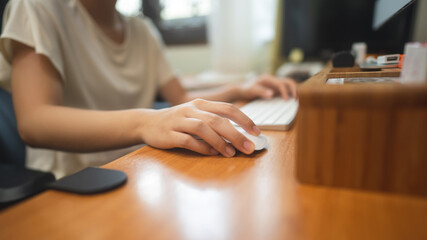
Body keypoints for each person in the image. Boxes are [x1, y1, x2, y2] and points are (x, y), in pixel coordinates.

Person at [0, 0, 297, 178]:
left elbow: (179, 97)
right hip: (75, 181)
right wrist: (149, 121)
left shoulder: (142, 30)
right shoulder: (37, 8)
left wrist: (241, 88)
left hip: (142, 167)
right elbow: (34, 122)